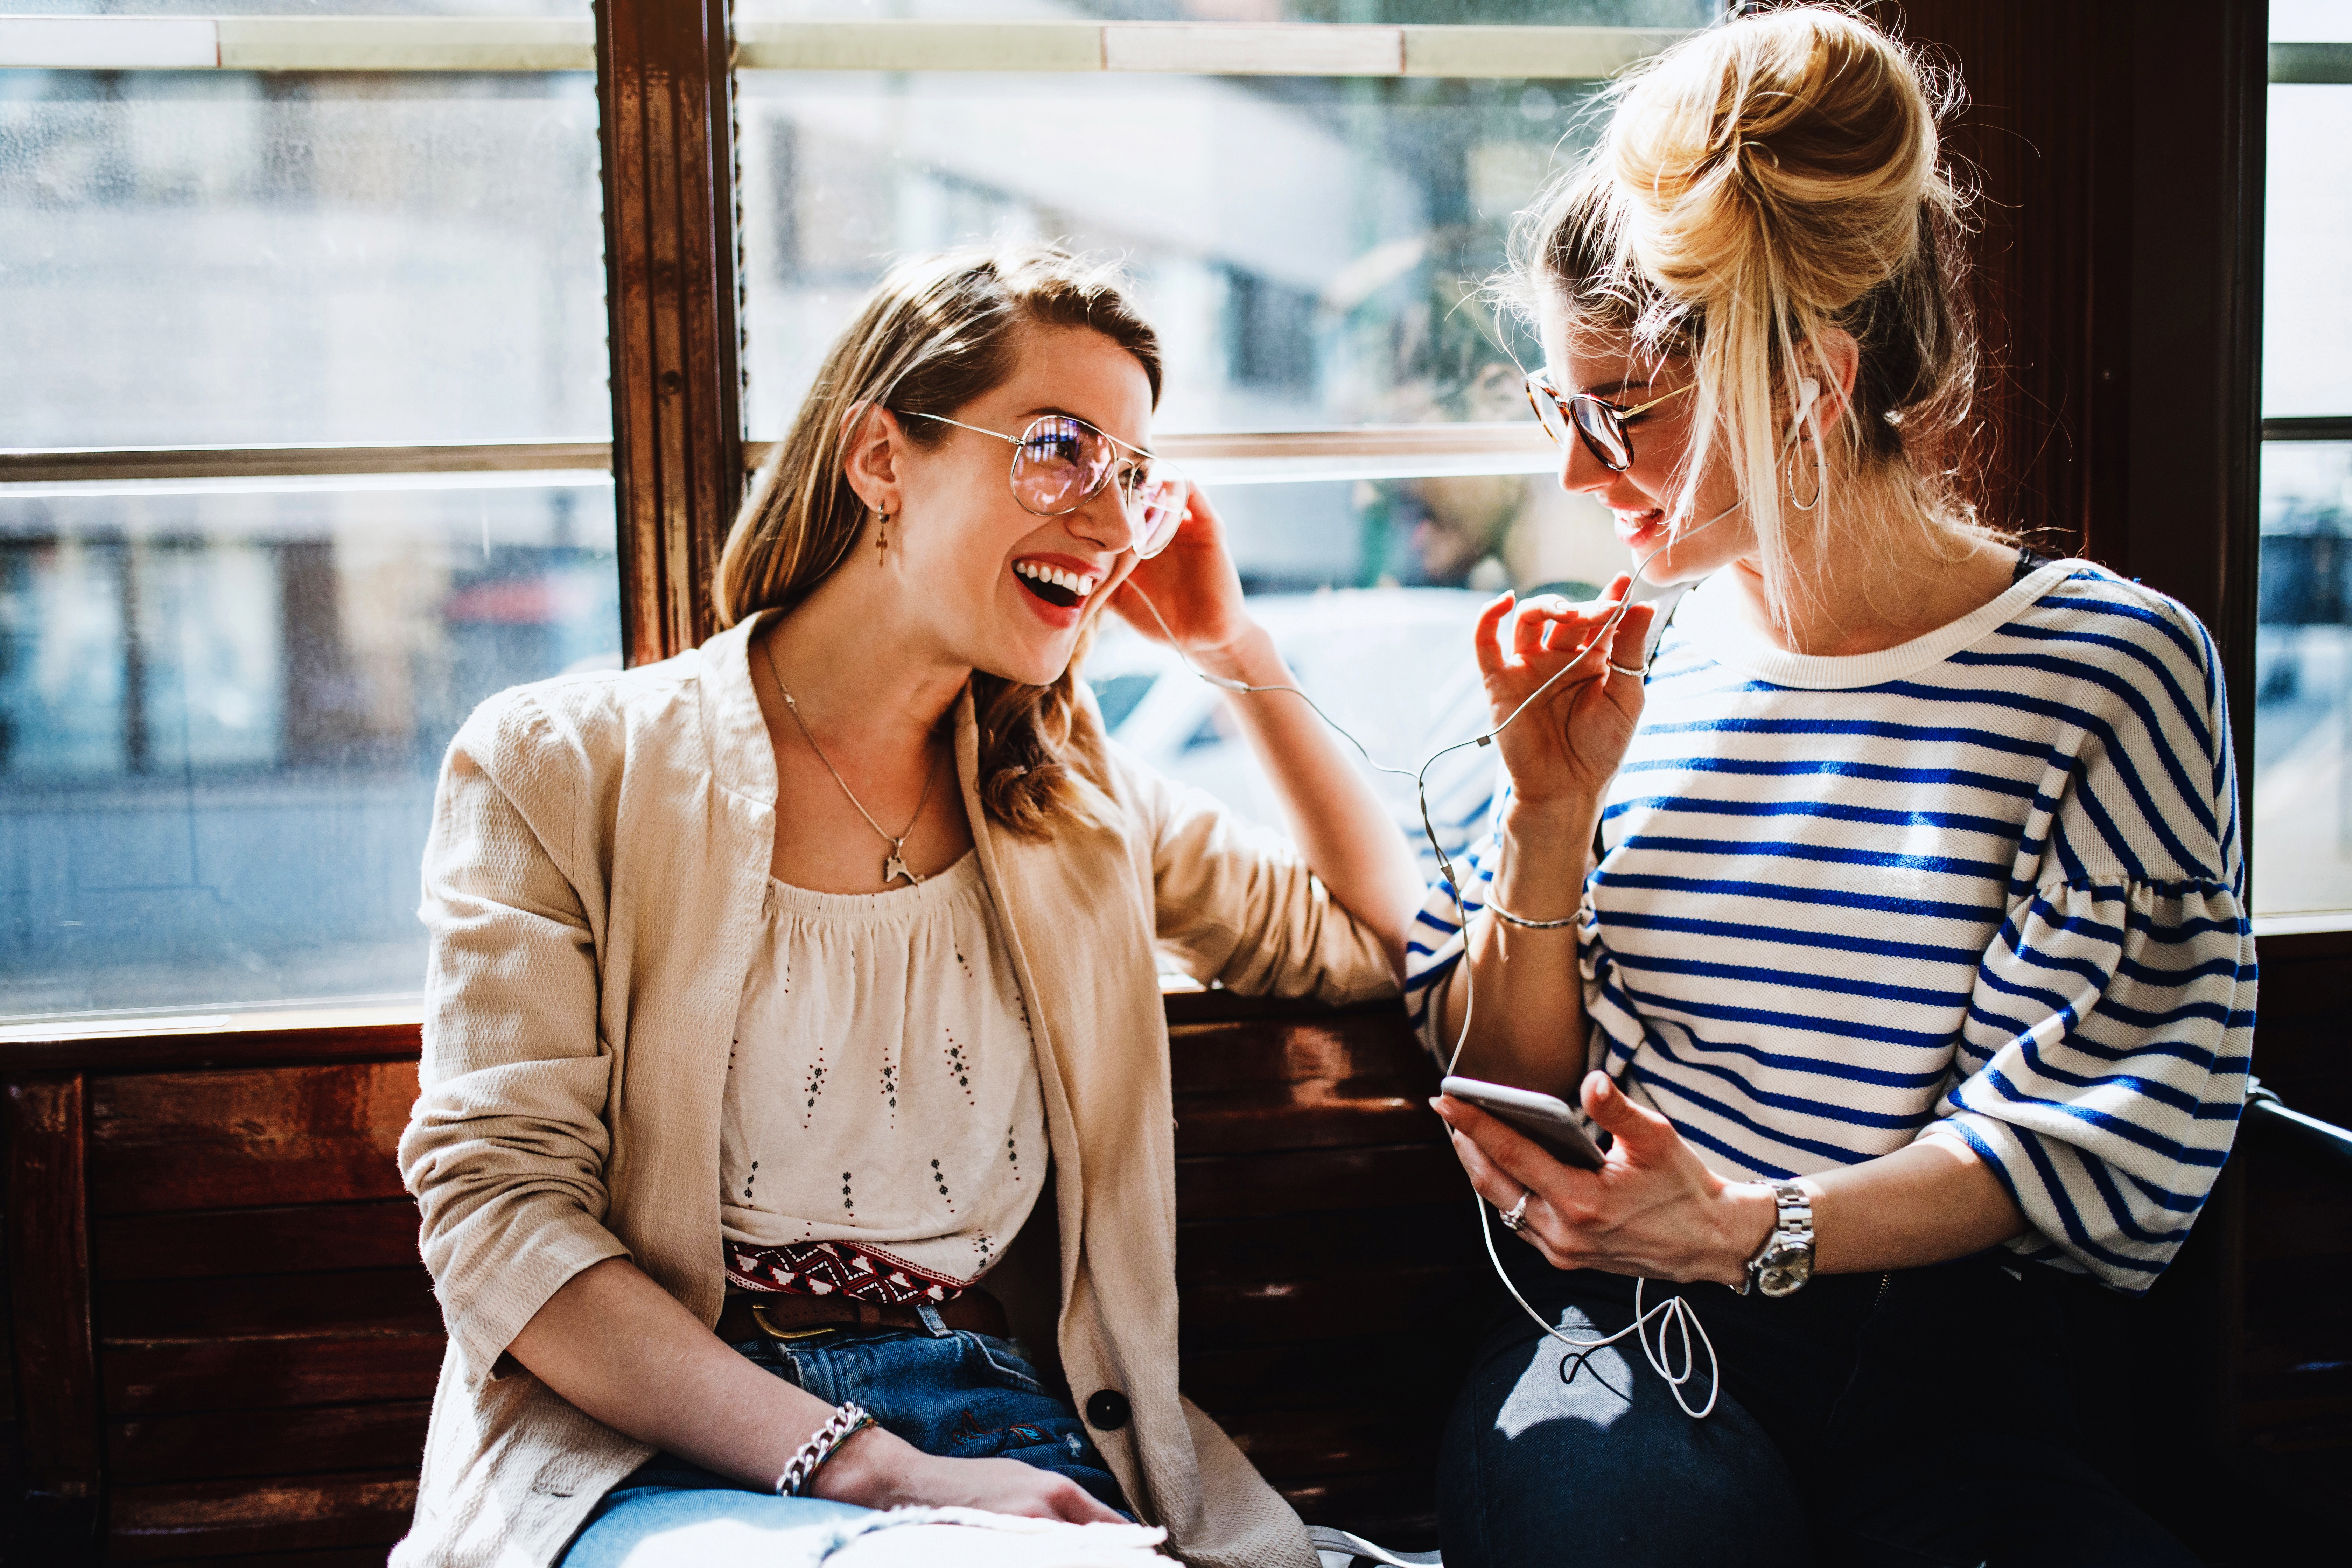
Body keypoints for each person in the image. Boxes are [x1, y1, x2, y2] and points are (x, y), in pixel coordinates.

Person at [392, 245, 1423, 1568]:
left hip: (1001, 1439)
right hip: (650, 1455)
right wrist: (872, 1475)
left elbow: (1379, 940)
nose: (1111, 529)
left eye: (1134, 479)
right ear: (882, 459)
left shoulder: (1070, 803)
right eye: (1060, 450)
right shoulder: (561, 764)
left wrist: (1236, 652)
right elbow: (497, 1216)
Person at [1403, 10, 2254, 1567]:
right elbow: (1500, 1089)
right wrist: (1543, 816)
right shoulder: (1620, 673)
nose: (1580, 478)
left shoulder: (2103, 670)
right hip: (1623, 1343)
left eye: (1625, 416)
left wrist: (1746, 1226)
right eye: (1559, 409)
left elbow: (2093, 1119)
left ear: (1808, 382)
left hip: (1963, 1372)